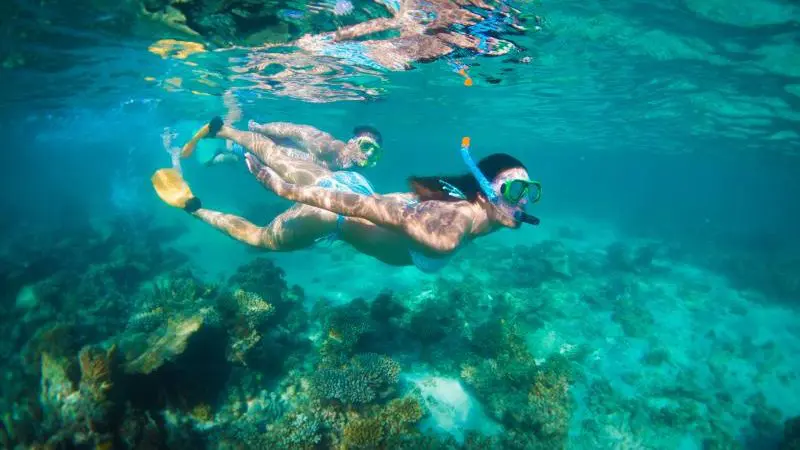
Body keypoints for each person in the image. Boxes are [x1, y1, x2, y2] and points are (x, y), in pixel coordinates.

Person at [151, 118, 541, 273]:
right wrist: (286, 190)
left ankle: (225, 130)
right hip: (335, 212)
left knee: (274, 153)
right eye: (515, 190)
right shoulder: (448, 233)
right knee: (260, 239)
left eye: (529, 193)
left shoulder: (475, 212)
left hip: (352, 185)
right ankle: (193, 206)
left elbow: (375, 204)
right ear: (486, 189)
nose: (522, 203)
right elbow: (371, 210)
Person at [181, 116, 383, 170]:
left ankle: (220, 150)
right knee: (233, 155)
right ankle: (216, 134)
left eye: (375, 152)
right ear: (351, 142)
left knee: (236, 160)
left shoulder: (348, 168)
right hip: (264, 148)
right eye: (366, 146)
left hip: (274, 164)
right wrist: (261, 128)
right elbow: (294, 129)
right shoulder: (327, 146)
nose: (368, 155)